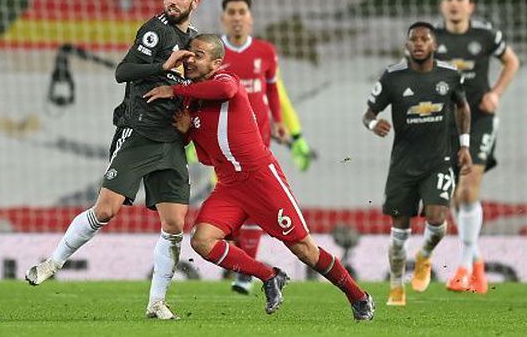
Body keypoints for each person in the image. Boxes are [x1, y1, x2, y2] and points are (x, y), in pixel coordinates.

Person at [144, 34, 374, 320]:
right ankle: (269, 276)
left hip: (261, 179)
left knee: (304, 249)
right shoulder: (192, 103)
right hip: (229, 186)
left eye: (198, 55)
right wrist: (188, 132)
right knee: (202, 241)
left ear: (216, 62)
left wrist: (175, 90)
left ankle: (358, 296)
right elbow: (205, 157)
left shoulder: (227, 78)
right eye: (189, 54)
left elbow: (226, 91)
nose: (191, 59)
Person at [25, 0, 201, 320]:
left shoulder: (195, 41)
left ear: (195, 1)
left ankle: (156, 303)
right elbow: (123, 71)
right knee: (106, 210)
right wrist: (163, 65)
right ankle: (53, 262)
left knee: (175, 224)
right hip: (137, 131)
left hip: (170, 141)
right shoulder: (155, 32)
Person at [363, 22, 472, 306]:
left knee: (437, 219)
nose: (420, 43)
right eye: (414, 39)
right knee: (399, 231)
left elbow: (463, 107)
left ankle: (424, 256)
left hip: (439, 160)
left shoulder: (449, 75)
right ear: (407, 45)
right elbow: (368, 114)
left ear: (434, 45)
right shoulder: (392, 77)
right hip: (403, 166)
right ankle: (396, 287)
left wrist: (464, 145)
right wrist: (374, 123)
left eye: (425, 39)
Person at [218, 0, 312, 294]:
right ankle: (243, 264)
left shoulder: (265, 52)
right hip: (224, 146)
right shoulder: (215, 53)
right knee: (232, 209)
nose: (236, 17)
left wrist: (281, 123)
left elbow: (273, 91)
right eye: (231, 12)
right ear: (224, 18)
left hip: (259, 142)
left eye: (241, 11)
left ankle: (245, 272)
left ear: (250, 17)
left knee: (255, 205)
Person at [434, 0, 520, 294]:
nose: (454, 4)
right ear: (442, 4)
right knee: (454, 198)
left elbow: (512, 61)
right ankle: (479, 264)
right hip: (445, 124)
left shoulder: (486, 36)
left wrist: (495, 94)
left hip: (480, 120)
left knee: (469, 192)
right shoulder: (430, 38)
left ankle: (464, 268)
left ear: (471, 5)